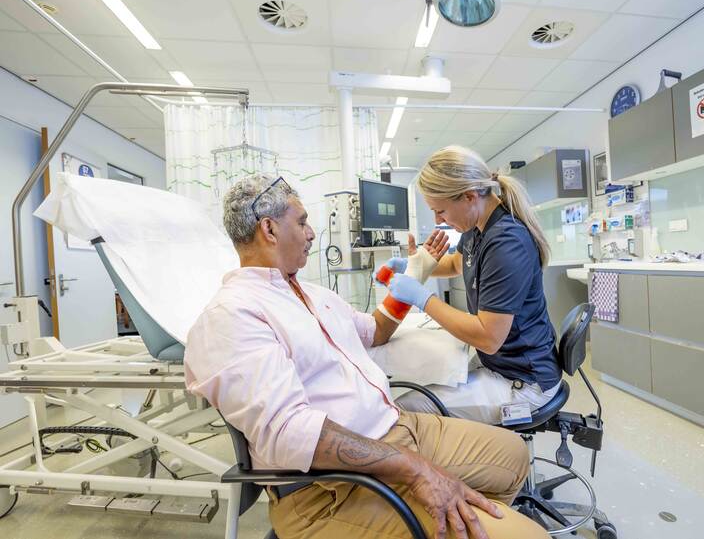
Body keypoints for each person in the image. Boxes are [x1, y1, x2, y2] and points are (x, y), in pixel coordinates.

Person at [184, 174, 548, 539]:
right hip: (334, 489)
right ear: (269, 229)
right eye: (302, 222)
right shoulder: (233, 314)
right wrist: (415, 469)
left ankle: (465, 515)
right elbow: (291, 433)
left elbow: (375, 331)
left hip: (397, 429)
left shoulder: (313, 294)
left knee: (514, 455)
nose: (311, 233)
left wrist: (416, 275)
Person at [389, 145, 563, 425]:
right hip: (502, 362)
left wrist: (422, 298)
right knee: (426, 377)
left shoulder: (507, 242)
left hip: (524, 382)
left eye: (440, 211)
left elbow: (488, 337)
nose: (438, 220)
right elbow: (456, 264)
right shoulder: (476, 229)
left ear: (470, 196)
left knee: (403, 409)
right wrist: (416, 264)